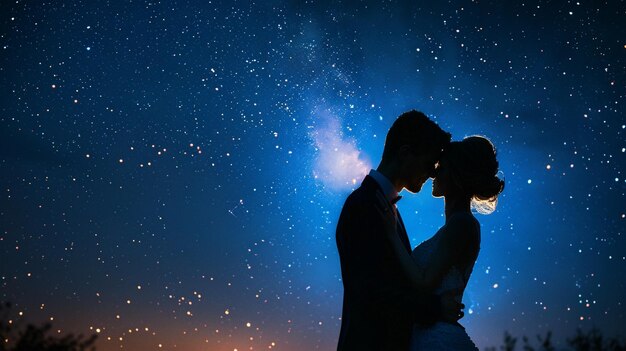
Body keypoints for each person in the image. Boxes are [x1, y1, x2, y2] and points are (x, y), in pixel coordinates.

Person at [336, 110, 462, 351]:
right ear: (405, 153)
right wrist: (436, 308)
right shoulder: (362, 204)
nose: (433, 173)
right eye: (430, 162)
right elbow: (370, 291)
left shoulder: (387, 209)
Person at [376, 135, 505, 350]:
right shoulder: (454, 226)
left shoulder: (462, 224)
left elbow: (425, 284)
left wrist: (391, 235)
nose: (434, 173)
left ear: (456, 176)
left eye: (441, 167)